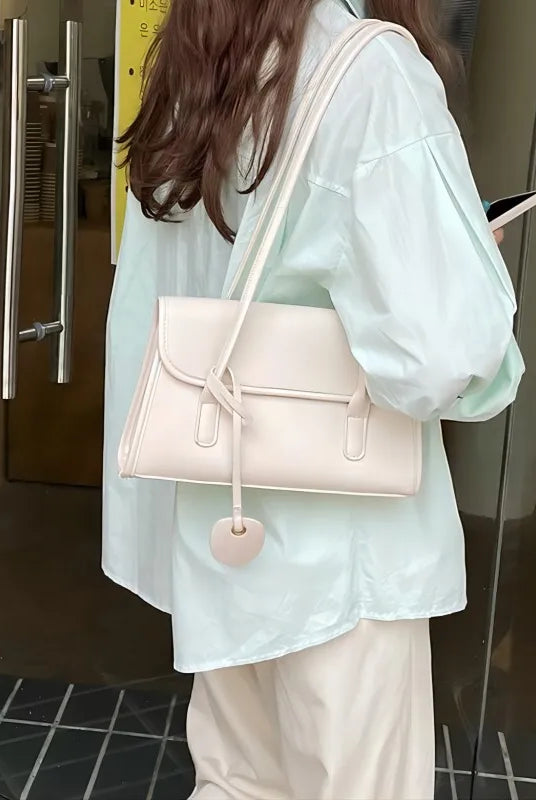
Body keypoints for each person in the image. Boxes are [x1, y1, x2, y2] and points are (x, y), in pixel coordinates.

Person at [103, 0, 524, 797]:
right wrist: (466, 264)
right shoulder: (371, 72)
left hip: (222, 522)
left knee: (236, 784)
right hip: (343, 561)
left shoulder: (198, 64)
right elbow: (443, 357)